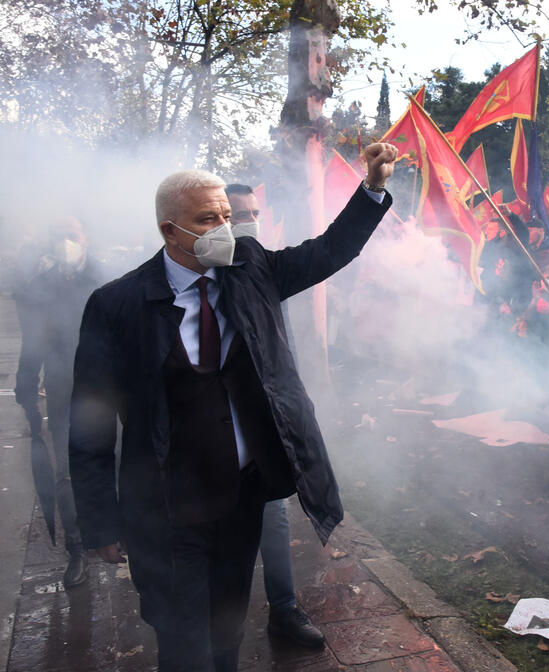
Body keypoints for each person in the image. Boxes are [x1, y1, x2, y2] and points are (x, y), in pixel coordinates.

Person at [68, 142, 397, 672]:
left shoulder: (252, 268)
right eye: (208, 219)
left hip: (241, 497)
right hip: (167, 506)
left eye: (227, 215)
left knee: (227, 626)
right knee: (182, 641)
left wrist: (373, 189)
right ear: (170, 230)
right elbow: (91, 422)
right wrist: (99, 521)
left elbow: (330, 251)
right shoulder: (117, 305)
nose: (225, 228)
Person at [223, 183, 324, 648]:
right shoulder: (194, 277)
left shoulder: (263, 267)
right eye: (237, 214)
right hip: (213, 430)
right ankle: (220, 626)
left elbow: (281, 343)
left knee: (274, 516)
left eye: (253, 213)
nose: (248, 222)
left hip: (261, 423)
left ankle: (283, 610)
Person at [14, 217, 104, 589]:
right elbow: (32, 341)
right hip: (62, 389)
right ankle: (77, 548)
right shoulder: (41, 287)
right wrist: (25, 384)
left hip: (107, 391)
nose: (65, 243)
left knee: (115, 466)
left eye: (71, 235)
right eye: (58, 237)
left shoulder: (106, 279)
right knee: (66, 472)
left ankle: (119, 536)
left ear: (86, 238)